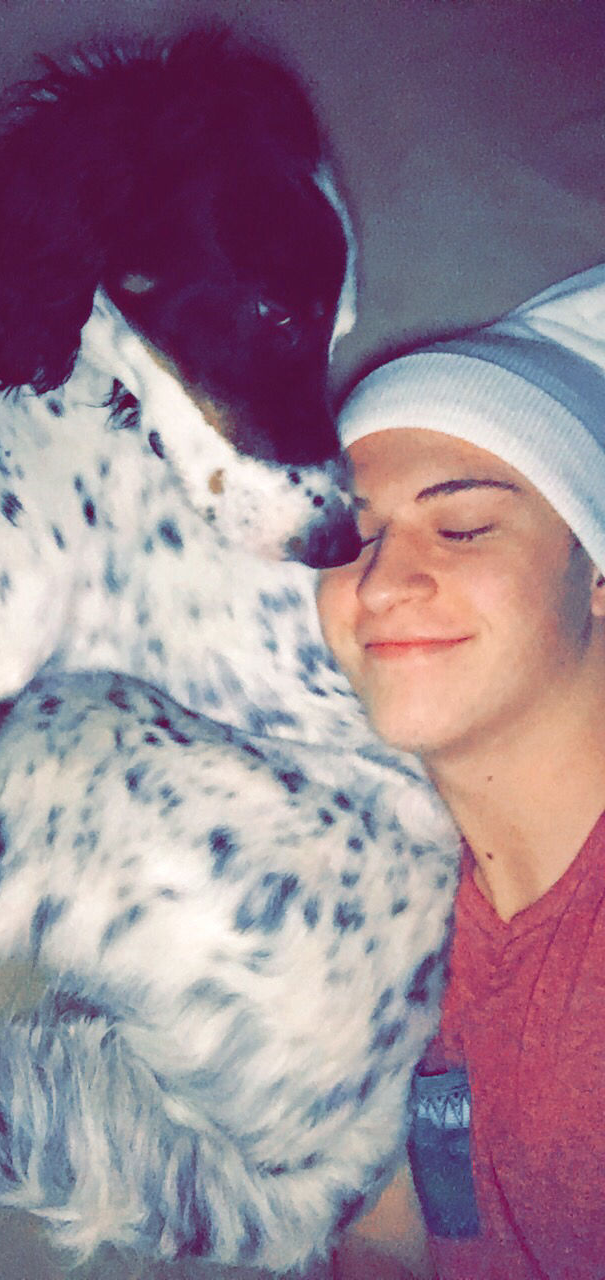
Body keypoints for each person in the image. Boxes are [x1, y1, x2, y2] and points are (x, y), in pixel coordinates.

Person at [316, 264, 605, 1280]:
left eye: (465, 525)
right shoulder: (387, 911)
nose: (381, 583)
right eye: (352, 535)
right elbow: (388, 1232)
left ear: (597, 573)